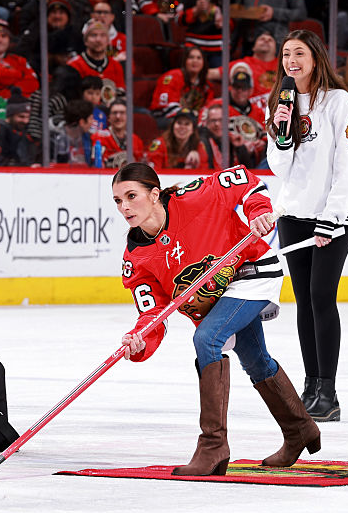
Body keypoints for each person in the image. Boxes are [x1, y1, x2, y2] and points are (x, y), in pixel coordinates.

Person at [114, 162, 320, 475]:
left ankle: (213, 445)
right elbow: (152, 313)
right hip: (219, 297)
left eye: (131, 196)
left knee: (207, 339)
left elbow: (244, 180)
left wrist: (257, 210)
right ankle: (300, 430)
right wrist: (139, 339)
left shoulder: (193, 198)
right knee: (255, 360)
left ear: (154, 194)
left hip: (250, 269)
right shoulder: (136, 258)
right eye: (118, 200)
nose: (124, 206)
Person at [266, 29, 348, 422]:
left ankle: (329, 392)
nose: (291, 60)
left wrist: (331, 218)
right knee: (304, 301)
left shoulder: (339, 102)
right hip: (292, 215)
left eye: (299, 53)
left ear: (316, 57)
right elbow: (277, 167)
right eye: (286, 54)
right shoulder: (280, 102)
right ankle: (312, 386)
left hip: (332, 219)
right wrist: (281, 132)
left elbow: (347, 164)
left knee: (322, 296)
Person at [0, 18, 40, 100]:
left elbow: (33, 84)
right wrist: (21, 75)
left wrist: (6, 91)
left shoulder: (18, 60)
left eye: (4, 36)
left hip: (21, 106)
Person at [151, 46, 214, 120]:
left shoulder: (206, 85)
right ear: (184, 61)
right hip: (166, 118)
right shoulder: (172, 77)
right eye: (191, 57)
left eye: (199, 58)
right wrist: (192, 115)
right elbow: (165, 107)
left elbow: (208, 108)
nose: (195, 61)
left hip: (192, 120)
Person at [0, 95, 39, 166]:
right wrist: (26, 166)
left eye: (28, 117)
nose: (26, 121)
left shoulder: (19, 129)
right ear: (10, 115)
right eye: (21, 116)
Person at [91, 98, 143, 168]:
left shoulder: (136, 140)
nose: (118, 117)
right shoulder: (99, 137)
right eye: (114, 113)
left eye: (122, 113)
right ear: (108, 118)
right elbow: (96, 165)